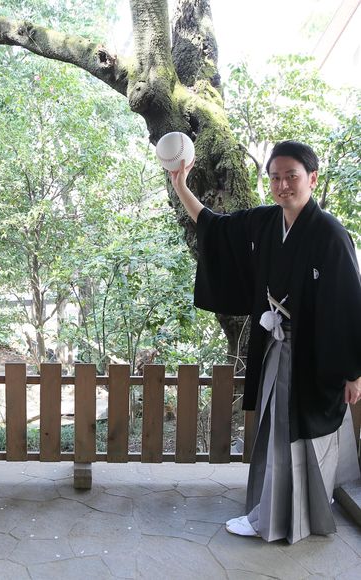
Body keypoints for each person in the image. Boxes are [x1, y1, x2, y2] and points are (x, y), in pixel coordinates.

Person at [169, 140, 361, 543]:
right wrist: (180, 186)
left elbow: (349, 304)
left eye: (291, 176)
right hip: (276, 344)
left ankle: (274, 520)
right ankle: (288, 514)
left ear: (312, 178)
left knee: (291, 431)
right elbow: (214, 227)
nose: (282, 185)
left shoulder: (331, 235)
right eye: (275, 177)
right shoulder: (264, 222)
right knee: (275, 427)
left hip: (313, 355)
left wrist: (354, 372)